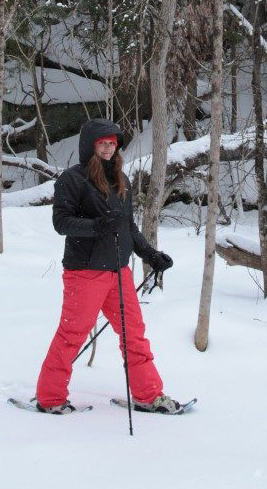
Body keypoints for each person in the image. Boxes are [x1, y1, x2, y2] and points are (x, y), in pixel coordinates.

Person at [35, 118, 178, 414]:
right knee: (71, 335)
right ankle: (50, 398)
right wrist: (98, 225)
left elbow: (128, 227)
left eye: (113, 143)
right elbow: (61, 223)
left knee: (134, 334)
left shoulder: (120, 180)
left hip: (119, 272)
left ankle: (148, 395)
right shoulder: (71, 180)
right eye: (103, 143)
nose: (109, 148)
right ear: (90, 146)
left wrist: (150, 254)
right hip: (85, 272)